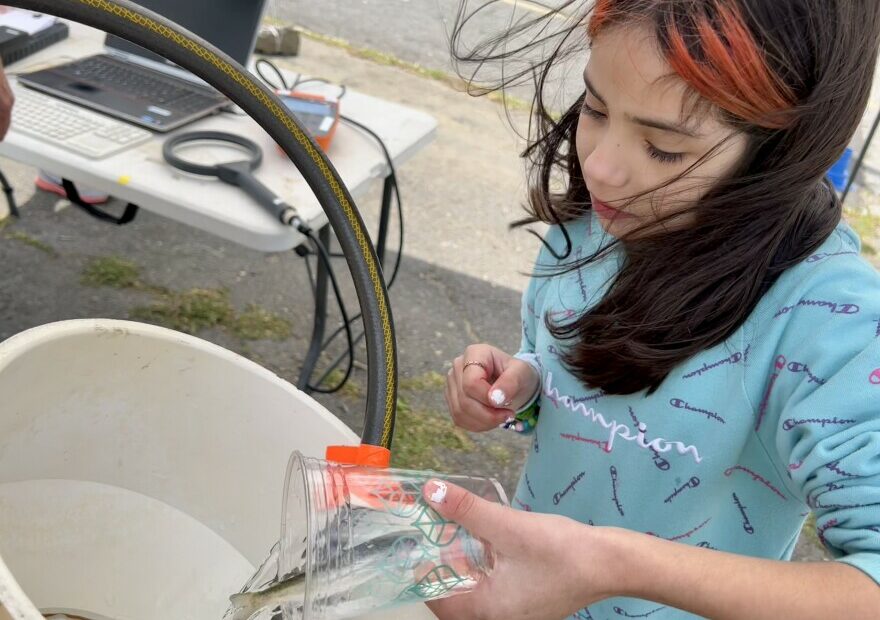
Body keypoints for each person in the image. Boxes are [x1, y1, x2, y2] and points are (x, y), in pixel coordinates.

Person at [427, 1, 880, 618]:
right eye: (594, 109)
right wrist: (525, 386)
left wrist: (616, 564)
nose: (602, 170)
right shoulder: (591, 229)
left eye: (663, 148)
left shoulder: (829, 318)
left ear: (779, 153)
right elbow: (598, 396)